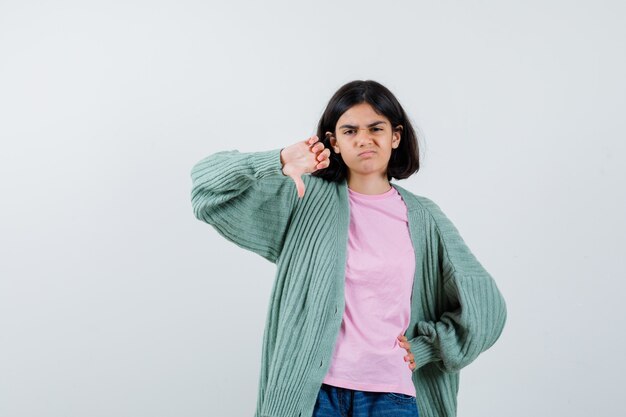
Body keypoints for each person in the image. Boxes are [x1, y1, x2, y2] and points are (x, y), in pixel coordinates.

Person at [190, 80, 507, 417]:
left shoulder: (424, 218)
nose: (363, 139)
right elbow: (207, 189)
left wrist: (429, 346)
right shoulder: (305, 200)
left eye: (376, 128)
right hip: (314, 395)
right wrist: (280, 160)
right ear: (334, 142)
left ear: (395, 137)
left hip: (392, 396)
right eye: (350, 130)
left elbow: (487, 307)